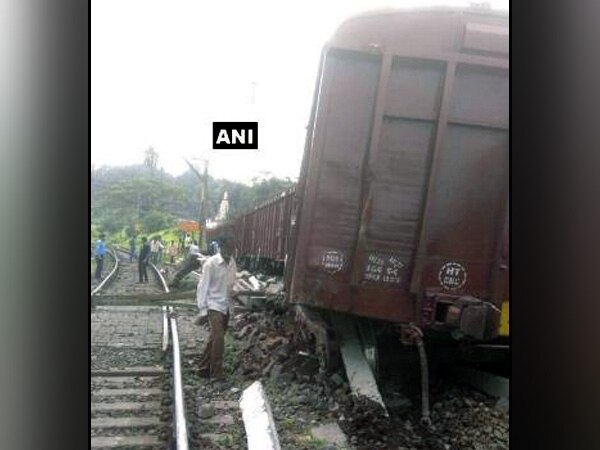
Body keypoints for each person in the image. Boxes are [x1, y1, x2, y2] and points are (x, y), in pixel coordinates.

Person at [196, 234, 238, 380]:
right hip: (213, 306)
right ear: (221, 247)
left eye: (232, 248)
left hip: (225, 306)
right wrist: (203, 310)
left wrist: (235, 292)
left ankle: (202, 367)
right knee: (219, 338)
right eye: (228, 247)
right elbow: (202, 287)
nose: (231, 250)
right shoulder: (211, 264)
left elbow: (231, 284)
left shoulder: (232, 262)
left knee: (214, 338)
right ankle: (216, 373)